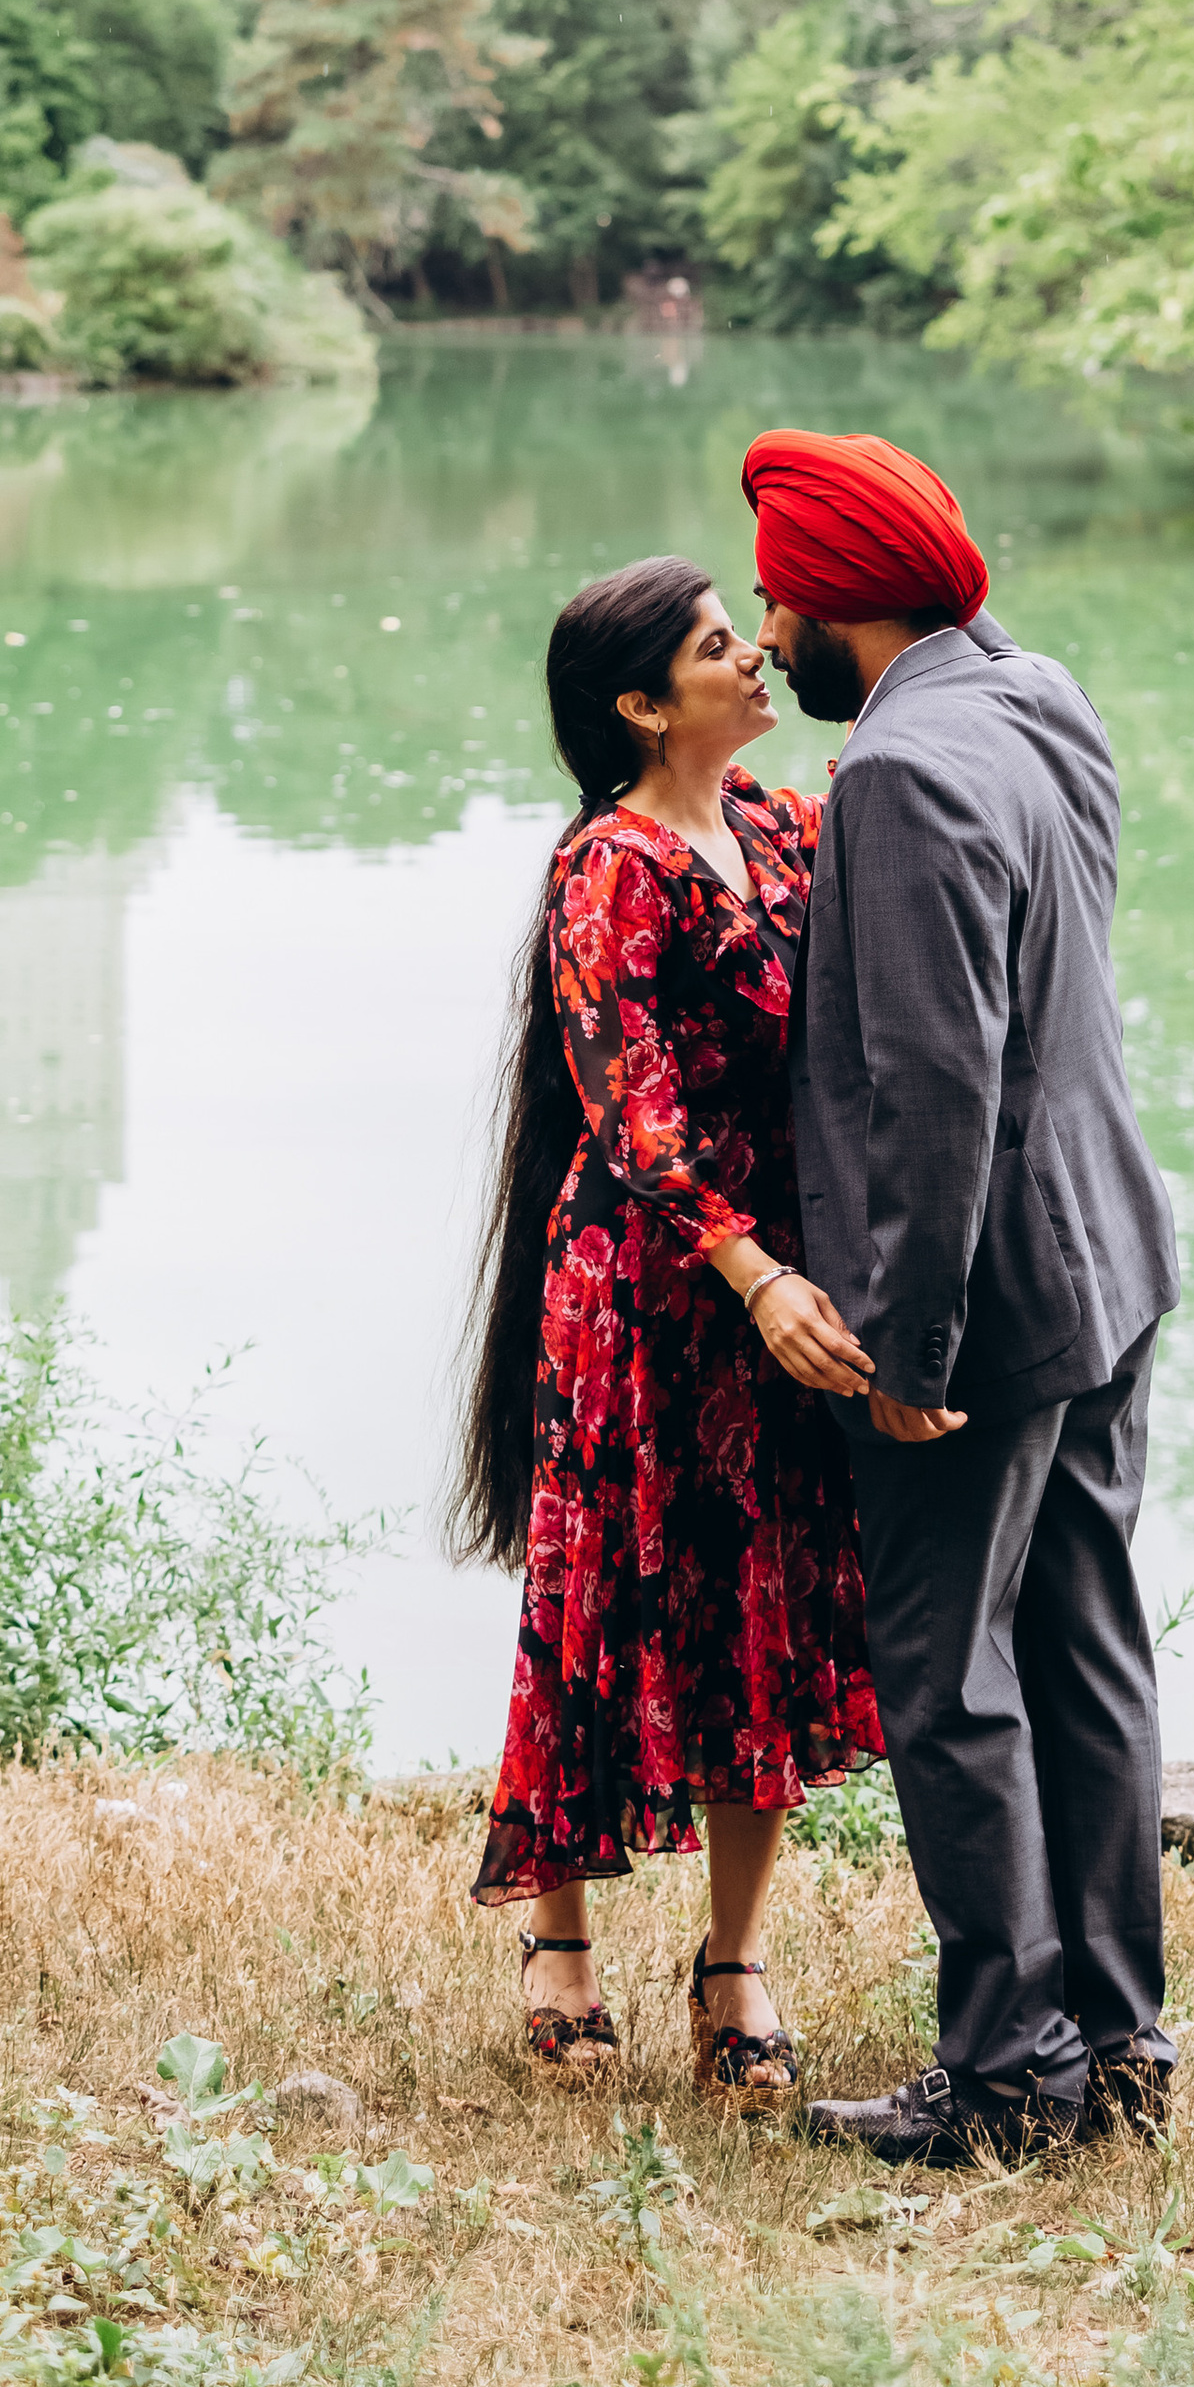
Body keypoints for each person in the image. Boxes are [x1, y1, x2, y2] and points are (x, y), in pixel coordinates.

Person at [739, 427, 1181, 2164]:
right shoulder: (1036, 691)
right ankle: (1118, 2039)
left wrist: (905, 1350)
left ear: (844, 598)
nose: (766, 629)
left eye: (777, 593)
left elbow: (933, 1081)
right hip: (1107, 1253)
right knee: (1084, 1644)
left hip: (985, 1302)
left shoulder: (902, 775)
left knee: (948, 1674)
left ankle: (1009, 2071)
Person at [450, 555, 885, 2103]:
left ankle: (734, 1955)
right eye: (719, 648)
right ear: (642, 705)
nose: (755, 657)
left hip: (774, 1283)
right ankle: (555, 1933)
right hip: (654, 1286)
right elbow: (634, 1110)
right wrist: (756, 1273)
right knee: (601, 1596)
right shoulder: (610, 867)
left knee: (753, 1602)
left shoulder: (779, 823)